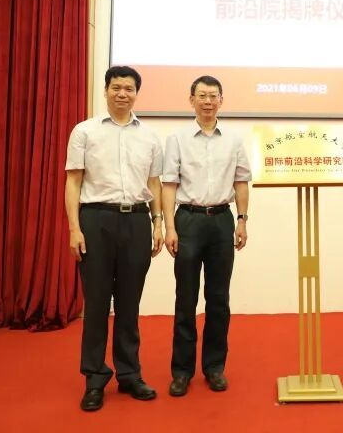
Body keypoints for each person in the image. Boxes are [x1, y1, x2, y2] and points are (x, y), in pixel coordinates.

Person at [65, 65, 165, 412]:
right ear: (106, 90)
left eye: (129, 88)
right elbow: (73, 181)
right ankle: (94, 379)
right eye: (116, 87)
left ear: (137, 93)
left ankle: (129, 374)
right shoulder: (85, 131)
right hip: (96, 220)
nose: (122, 94)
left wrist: (157, 222)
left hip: (136, 220)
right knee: (96, 304)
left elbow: (154, 183)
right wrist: (74, 228)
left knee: (129, 304)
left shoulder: (149, 136)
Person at [161, 75, 251, 397]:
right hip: (188, 220)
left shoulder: (234, 140)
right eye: (202, 95)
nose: (208, 101)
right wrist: (170, 227)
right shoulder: (177, 139)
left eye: (213, 96)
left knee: (218, 299)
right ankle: (181, 371)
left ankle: (214, 367)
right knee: (185, 299)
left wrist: (242, 220)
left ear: (221, 100)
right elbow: (168, 184)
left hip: (222, 221)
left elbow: (241, 182)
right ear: (192, 100)